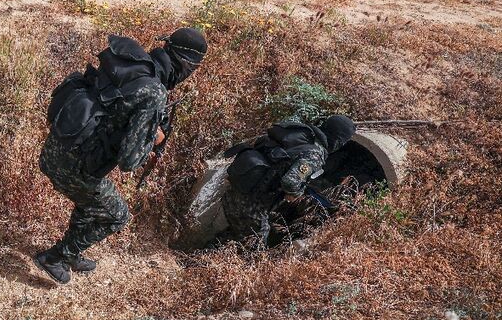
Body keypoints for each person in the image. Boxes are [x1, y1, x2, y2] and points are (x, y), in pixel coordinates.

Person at [35, 28, 208, 284]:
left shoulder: (134, 64)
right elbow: (129, 162)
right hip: (74, 167)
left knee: (91, 204)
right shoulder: (154, 92)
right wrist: (153, 139)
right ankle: (57, 257)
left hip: (56, 148)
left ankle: (74, 252)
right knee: (117, 216)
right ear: (186, 65)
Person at [221, 115, 356, 249]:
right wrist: (295, 194)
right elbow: (290, 182)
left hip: (234, 191)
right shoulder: (315, 154)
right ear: (338, 141)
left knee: (233, 235)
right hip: (251, 206)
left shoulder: (301, 135)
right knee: (254, 251)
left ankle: (210, 251)